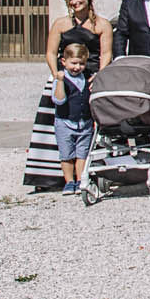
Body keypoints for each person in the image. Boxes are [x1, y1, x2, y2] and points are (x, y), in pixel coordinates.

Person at [25, 0, 116, 192]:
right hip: (64, 79)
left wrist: (100, 76)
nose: (75, 2)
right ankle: (56, 177)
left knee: (92, 126)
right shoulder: (60, 24)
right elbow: (50, 52)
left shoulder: (102, 25)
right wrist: (56, 74)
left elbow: (106, 53)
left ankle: (94, 172)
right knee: (58, 125)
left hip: (91, 78)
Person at [49, 40, 95, 195]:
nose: (77, 67)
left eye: (81, 64)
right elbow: (59, 100)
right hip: (65, 121)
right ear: (64, 61)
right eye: (73, 63)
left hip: (84, 122)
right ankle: (69, 181)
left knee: (82, 153)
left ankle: (81, 180)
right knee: (67, 153)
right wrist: (60, 80)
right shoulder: (60, 79)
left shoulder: (87, 77)